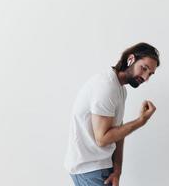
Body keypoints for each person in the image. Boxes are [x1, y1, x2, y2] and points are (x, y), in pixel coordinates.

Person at [64, 42, 160, 186]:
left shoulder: (120, 90)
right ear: (131, 59)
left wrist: (117, 170)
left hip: (102, 166)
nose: (145, 78)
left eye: (150, 74)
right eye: (144, 68)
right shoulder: (106, 86)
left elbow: (117, 133)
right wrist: (141, 121)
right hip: (89, 169)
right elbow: (102, 139)